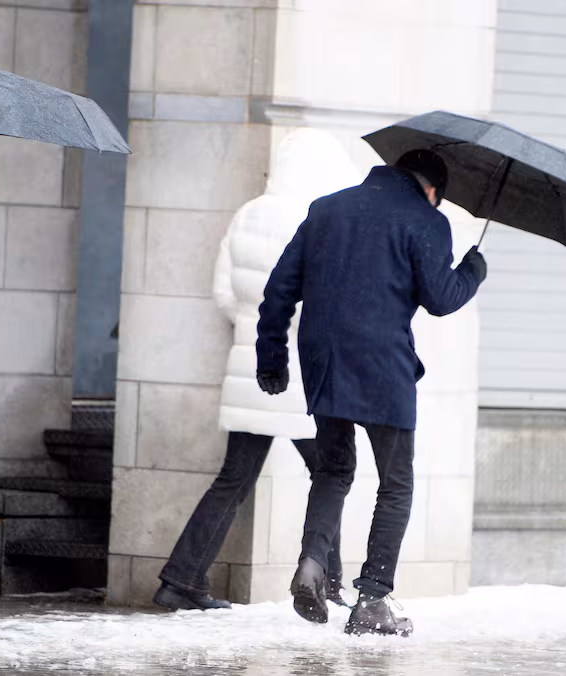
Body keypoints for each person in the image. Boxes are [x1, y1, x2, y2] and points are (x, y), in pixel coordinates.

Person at [256, 149, 487, 637]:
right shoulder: (426, 219)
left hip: (323, 359)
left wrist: (271, 355)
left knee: (333, 470)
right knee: (395, 483)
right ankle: (372, 599)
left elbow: (279, 288)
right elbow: (441, 298)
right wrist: (473, 271)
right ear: (432, 189)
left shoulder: (327, 208)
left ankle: (312, 563)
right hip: (384, 365)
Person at [154, 130, 358, 612]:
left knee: (234, 479)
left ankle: (181, 580)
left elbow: (225, 295)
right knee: (331, 473)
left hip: (250, 365)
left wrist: (252, 327)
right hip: (300, 372)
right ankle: (328, 583)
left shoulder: (247, 213)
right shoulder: (315, 218)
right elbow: (320, 302)